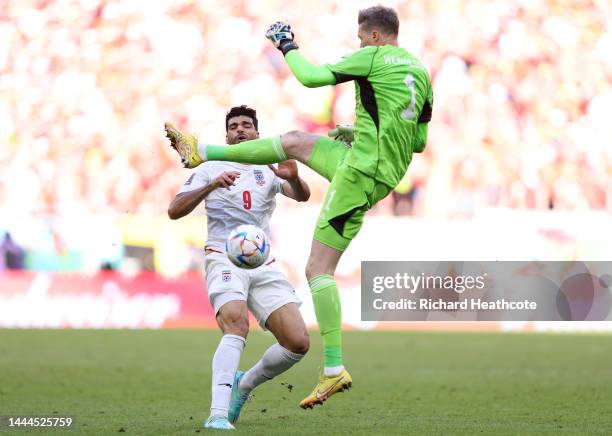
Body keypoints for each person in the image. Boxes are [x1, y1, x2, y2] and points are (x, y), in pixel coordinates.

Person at [165, 5, 433, 409]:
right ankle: (202, 151)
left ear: (375, 36)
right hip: (366, 159)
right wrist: (358, 131)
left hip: (362, 174)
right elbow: (417, 142)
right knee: (293, 141)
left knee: (317, 270)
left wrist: (286, 44)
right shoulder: (422, 74)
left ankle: (333, 369)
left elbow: (310, 78)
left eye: (361, 38)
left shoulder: (374, 55)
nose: (358, 44)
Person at [168, 105, 311, 429]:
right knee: (236, 325)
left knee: (298, 343)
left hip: (262, 260)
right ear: (227, 135)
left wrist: (295, 177)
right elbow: (174, 210)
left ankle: (244, 383)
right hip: (223, 255)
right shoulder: (210, 167)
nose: (241, 130)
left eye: (247, 125)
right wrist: (211, 186)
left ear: (257, 134)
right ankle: (218, 413)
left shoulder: (267, 168)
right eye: (234, 126)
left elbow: (302, 196)